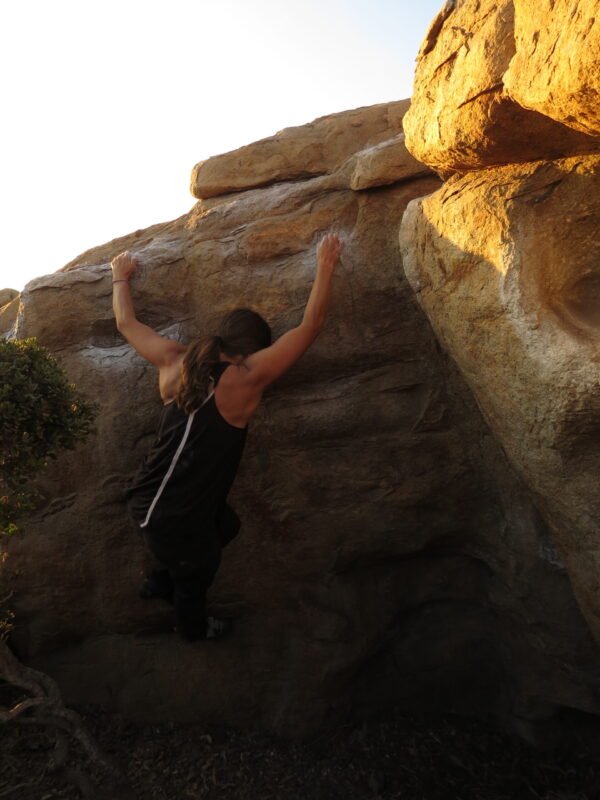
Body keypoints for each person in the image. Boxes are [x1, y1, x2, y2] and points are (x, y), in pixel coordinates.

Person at [111, 231, 342, 641]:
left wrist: (120, 276)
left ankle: (161, 579)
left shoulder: (175, 359)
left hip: (151, 499)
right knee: (198, 573)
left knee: (226, 526)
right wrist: (325, 264)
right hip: (169, 514)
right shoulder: (247, 379)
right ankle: (190, 625)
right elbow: (312, 325)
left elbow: (126, 323)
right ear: (252, 350)